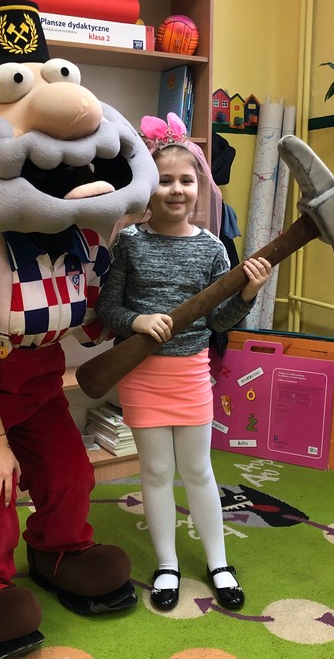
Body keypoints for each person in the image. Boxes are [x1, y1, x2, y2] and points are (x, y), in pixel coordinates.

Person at [0, 0, 158, 659]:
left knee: (70, 472)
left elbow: (100, 316)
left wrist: (145, 318)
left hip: (38, 382)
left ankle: (59, 552)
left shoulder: (89, 249)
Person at [95, 113, 272, 611]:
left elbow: (218, 321)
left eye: (186, 181)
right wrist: (137, 321)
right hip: (140, 376)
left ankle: (219, 563)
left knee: (198, 470)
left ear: (200, 188)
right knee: (155, 472)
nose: (176, 190)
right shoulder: (128, 242)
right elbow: (107, 307)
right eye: (165, 180)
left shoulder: (214, 248)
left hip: (191, 374)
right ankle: (167, 564)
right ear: (148, 189)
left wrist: (249, 293)